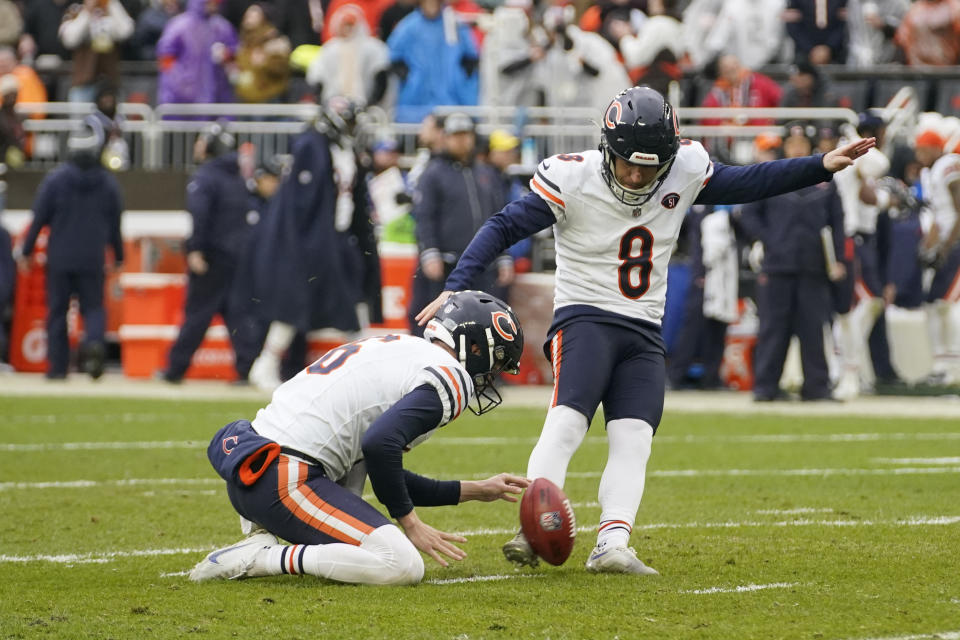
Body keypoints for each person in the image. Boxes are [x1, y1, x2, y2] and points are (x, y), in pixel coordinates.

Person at [415, 86, 875, 575]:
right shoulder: (572, 177)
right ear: (607, 149)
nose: (637, 175)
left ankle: (612, 542)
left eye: (649, 166)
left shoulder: (685, 168)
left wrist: (819, 164)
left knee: (635, 437)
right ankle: (532, 525)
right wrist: (457, 285)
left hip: (643, 326)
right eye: (627, 164)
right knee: (570, 418)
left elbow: (748, 182)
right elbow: (503, 227)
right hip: (585, 315)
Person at [189, 290, 530, 586]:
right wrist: (410, 523)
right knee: (402, 564)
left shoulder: (400, 348)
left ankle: (262, 538)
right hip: (285, 479)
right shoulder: (450, 375)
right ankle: (261, 558)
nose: (491, 374)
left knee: (358, 485)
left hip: (252, 469)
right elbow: (380, 446)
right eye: (497, 359)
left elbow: (382, 468)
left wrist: (476, 490)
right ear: (474, 345)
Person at [740, 123, 847, 402]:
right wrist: (769, 239)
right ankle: (765, 387)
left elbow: (837, 222)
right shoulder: (771, 177)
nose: (797, 148)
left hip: (814, 266)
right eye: (792, 143)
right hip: (778, 266)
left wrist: (837, 259)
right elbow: (748, 215)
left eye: (802, 144)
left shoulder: (826, 181)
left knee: (813, 329)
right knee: (774, 328)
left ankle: (817, 387)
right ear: (784, 147)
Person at [18, 116, 124, 380]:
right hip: (92, 257)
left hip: (60, 257)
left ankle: (57, 369)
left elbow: (39, 217)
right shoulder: (108, 184)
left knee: (57, 312)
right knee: (94, 309)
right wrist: (118, 256)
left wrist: (26, 250)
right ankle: (95, 345)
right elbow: (115, 225)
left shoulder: (55, 180)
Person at [160, 121, 259, 383]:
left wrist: (195, 249)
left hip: (212, 257)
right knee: (237, 314)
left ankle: (175, 369)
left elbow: (200, 215)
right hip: (237, 256)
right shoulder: (238, 177)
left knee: (197, 314)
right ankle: (246, 368)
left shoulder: (205, 177)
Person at [407, 112, 513, 336]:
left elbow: (499, 217)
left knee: (482, 325)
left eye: (466, 135)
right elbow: (424, 216)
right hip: (446, 264)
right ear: (445, 138)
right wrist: (429, 252)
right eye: (456, 135)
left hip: (483, 266)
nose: (462, 140)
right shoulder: (433, 173)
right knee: (436, 323)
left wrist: (503, 256)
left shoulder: (485, 173)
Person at [155, 0, 237, 107]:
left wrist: (226, 56)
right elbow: (165, 57)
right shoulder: (179, 26)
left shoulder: (223, 27)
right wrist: (177, 83)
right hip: (179, 101)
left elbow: (234, 55)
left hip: (216, 98)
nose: (214, 4)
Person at [58, 0, 134, 103]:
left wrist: (111, 4)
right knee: (80, 118)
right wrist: (87, 12)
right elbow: (70, 39)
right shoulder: (75, 9)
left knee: (111, 118)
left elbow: (126, 31)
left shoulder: (113, 9)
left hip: (111, 82)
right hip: (83, 83)